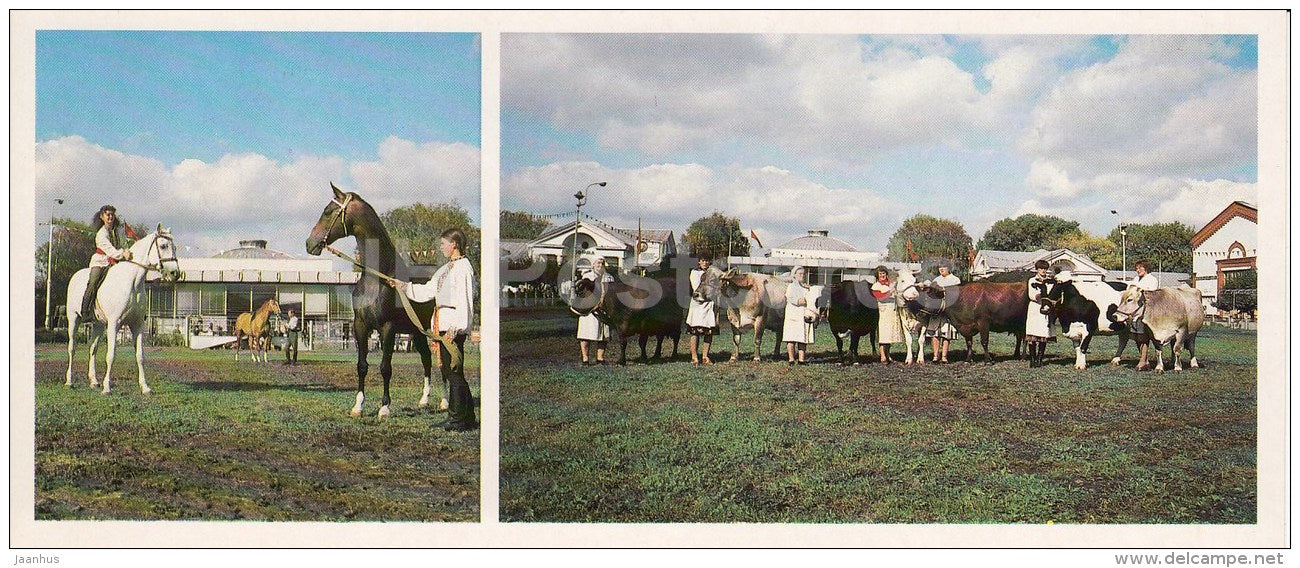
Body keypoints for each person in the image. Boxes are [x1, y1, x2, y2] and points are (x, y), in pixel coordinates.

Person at [388, 228, 478, 432]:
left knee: (452, 371)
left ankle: (457, 419)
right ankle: (467, 417)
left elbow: (465, 300)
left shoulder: (463, 267)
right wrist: (402, 285)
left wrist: (456, 328)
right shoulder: (446, 268)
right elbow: (428, 290)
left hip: (452, 327)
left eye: (444, 243)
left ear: (454, 244)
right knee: (453, 371)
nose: (441, 247)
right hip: (443, 324)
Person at [78, 205, 133, 321]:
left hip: (117, 260)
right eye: (107, 214)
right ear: (102, 217)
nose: (110, 217)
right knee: (93, 281)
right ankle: (85, 310)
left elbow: (123, 244)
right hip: (101, 261)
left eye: (112, 214)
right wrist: (123, 254)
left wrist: (127, 251)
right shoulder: (101, 234)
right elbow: (111, 252)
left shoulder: (119, 231)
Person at [576, 258, 613, 365]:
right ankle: (585, 359)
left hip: (604, 311)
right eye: (598, 263)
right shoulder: (587, 277)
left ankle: (600, 358)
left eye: (602, 263)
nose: (600, 265)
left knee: (603, 337)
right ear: (593, 264)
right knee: (585, 335)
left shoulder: (609, 277)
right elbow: (584, 294)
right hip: (589, 312)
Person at [687, 254, 721, 365]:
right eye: (703, 260)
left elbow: (719, 286)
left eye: (707, 261)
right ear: (699, 262)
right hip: (698, 305)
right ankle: (694, 357)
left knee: (709, 331)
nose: (705, 263)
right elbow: (697, 288)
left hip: (710, 305)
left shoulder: (714, 273)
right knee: (695, 332)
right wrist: (713, 290)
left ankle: (705, 356)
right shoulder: (694, 273)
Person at [925, 263, 961, 363]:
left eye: (943, 267)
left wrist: (945, 291)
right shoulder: (936, 280)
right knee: (935, 333)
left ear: (948, 268)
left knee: (946, 333)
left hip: (949, 310)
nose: (941, 269)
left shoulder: (955, 280)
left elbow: (957, 294)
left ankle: (944, 356)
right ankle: (935, 356)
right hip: (936, 310)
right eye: (940, 267)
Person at [1025, 259, 1056, 368]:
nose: (1043, 271)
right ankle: (1032, 359)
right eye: (1041, 268)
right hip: (1035, 308)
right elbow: (1031, 295)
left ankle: (1040, 358)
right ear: (1037, 269)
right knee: (1032, 335)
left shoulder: (1050, 281)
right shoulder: (1032, 280)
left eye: (1045, 269)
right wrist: (1041, 295)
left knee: (1043, 334)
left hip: (1046, 309)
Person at [871, 265, 904, 365]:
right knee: (883, 334)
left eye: (884, 273)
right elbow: (880, 297)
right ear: (877, 275)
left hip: (892, 311)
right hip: (882, 311)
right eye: (880, 274)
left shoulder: (891, 284)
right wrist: (890, 292)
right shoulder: (876, 286)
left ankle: (888, 354)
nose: (882, 275)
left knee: (889, 334)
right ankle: (883, 355)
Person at [1129, 260, 1159, 366]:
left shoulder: (1152, 279)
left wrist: (1142, 289)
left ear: (1145, 268)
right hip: (1135, 311)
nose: (1137, 270)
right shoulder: (1136, 279)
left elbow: (1152, 293)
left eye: (1139, 268)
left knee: (1143, 336)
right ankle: (1144, 359)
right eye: (1136, 268)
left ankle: (1142, 360)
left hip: (1147, 311)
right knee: (1136, 337)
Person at [782, 266, 814, 365]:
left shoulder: (806, 287)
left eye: (803, 274)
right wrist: (801, 300)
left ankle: (801, 360)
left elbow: (811, 299)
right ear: (794, 275)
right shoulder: (791, 287)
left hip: (803, 315)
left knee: (802, 339)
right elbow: (794, 300)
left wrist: (810, 291)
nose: (802, 275)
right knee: (791, 338)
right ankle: (791, 359)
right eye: (799, 274)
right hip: (793, 315)